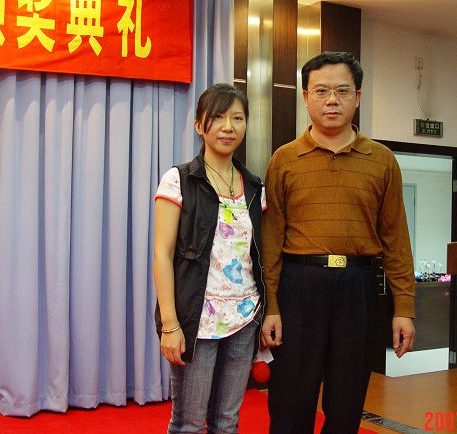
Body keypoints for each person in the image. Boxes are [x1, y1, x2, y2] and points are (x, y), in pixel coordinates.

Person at [261, 51, 416, 433]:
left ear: (357, 97)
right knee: (290, 400)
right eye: (322, 91)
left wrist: (404, 309)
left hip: (358, 289)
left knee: (347, 402)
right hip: (299, 286)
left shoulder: (382, 160)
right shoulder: (284, 159)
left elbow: (396, 239)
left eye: (342, 91)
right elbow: (271, 239)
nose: (332, 100)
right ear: (305, 97)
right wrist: (271, 306)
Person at [153, 83, 266, 433]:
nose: (228, 127)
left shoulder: (254, 186)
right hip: (196, 319)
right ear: (199, 125)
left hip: (245, 318)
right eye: (218, 117)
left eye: (237, 118)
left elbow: (259, 257)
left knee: (227, 422)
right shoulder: (180, 180)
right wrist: (170, 324)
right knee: (188, 423)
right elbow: (162, 254)